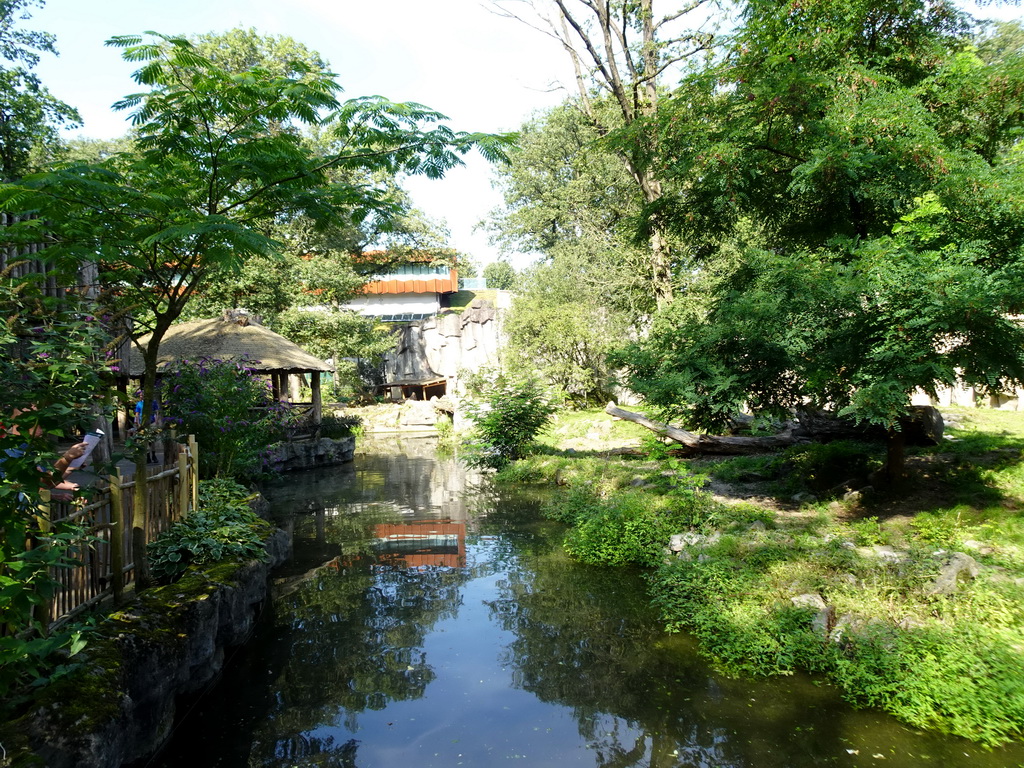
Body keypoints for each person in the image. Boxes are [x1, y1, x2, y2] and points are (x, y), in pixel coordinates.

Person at [1, 407, 90, 502]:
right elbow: (43, 483)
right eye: (39, 424)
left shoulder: (29, 449)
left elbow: (50, 480)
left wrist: (72, 467)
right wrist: (67, 458)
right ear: (24, 424)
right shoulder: (12, 452)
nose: (44, 430)